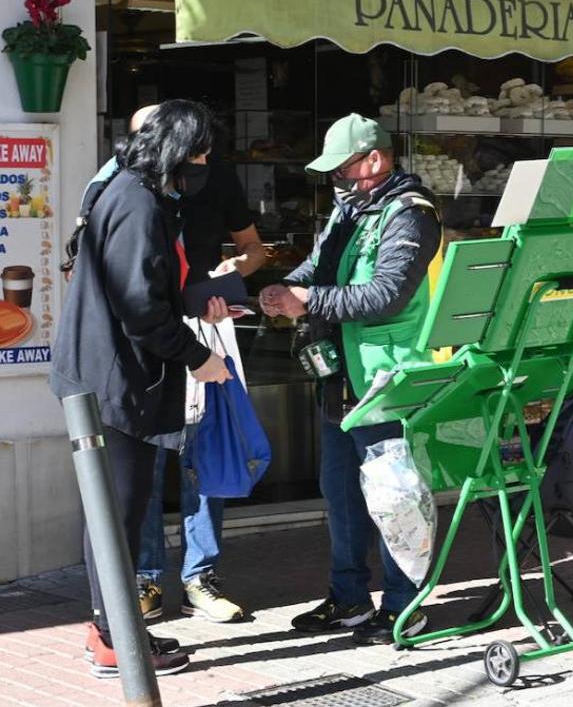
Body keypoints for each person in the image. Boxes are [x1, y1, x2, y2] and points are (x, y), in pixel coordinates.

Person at [49, 99, 231, 678]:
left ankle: (108, 630)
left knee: (114, 512)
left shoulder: (132, 191)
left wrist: (199, 297)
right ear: (178, 148)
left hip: (105, 376)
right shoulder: (136, 202)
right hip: (113, 382)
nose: (204, 162)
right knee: (118, 515)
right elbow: (141, 312)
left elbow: (148, 288)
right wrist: (199, 358)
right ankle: (116, 642)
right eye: (200, 151)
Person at [260, 113, 442, 646]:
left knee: (393, 497)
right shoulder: (349, 211)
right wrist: (280, 290)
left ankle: (406, 607)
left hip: (387, 378)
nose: (334, 181)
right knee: (340, 492)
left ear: (375, 161)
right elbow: (316, 268)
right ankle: (350, 599)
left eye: (342, 171)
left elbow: (387, 294)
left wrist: (308, 300)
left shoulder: (411, 215)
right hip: (339, 376)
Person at [134, 121, 266, 624]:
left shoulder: (217, 180)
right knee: (147, 460)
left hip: (205, 331)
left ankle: (200, 576)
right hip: (151, 341)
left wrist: (229, 276)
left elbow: (253, 251)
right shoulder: (133, 188)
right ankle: (145, 577)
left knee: (206, 449)